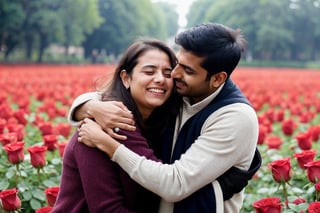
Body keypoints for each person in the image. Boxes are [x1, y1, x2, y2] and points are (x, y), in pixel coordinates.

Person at [72, 23, 261, 213]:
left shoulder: (235, 117)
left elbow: (175, 184)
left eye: (188, 71)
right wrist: (90, 107)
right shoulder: (181, 92)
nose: (174, 75)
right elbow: (110, 95)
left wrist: (110, 146)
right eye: (177, 64)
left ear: (218, 79)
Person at [52, 38, 181, 212]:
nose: (160, 79)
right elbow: (108, 210)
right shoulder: (102, 129)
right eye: (149, 72)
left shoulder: (165, 124)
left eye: (167, 74)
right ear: (126, 78)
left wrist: (87, 105)